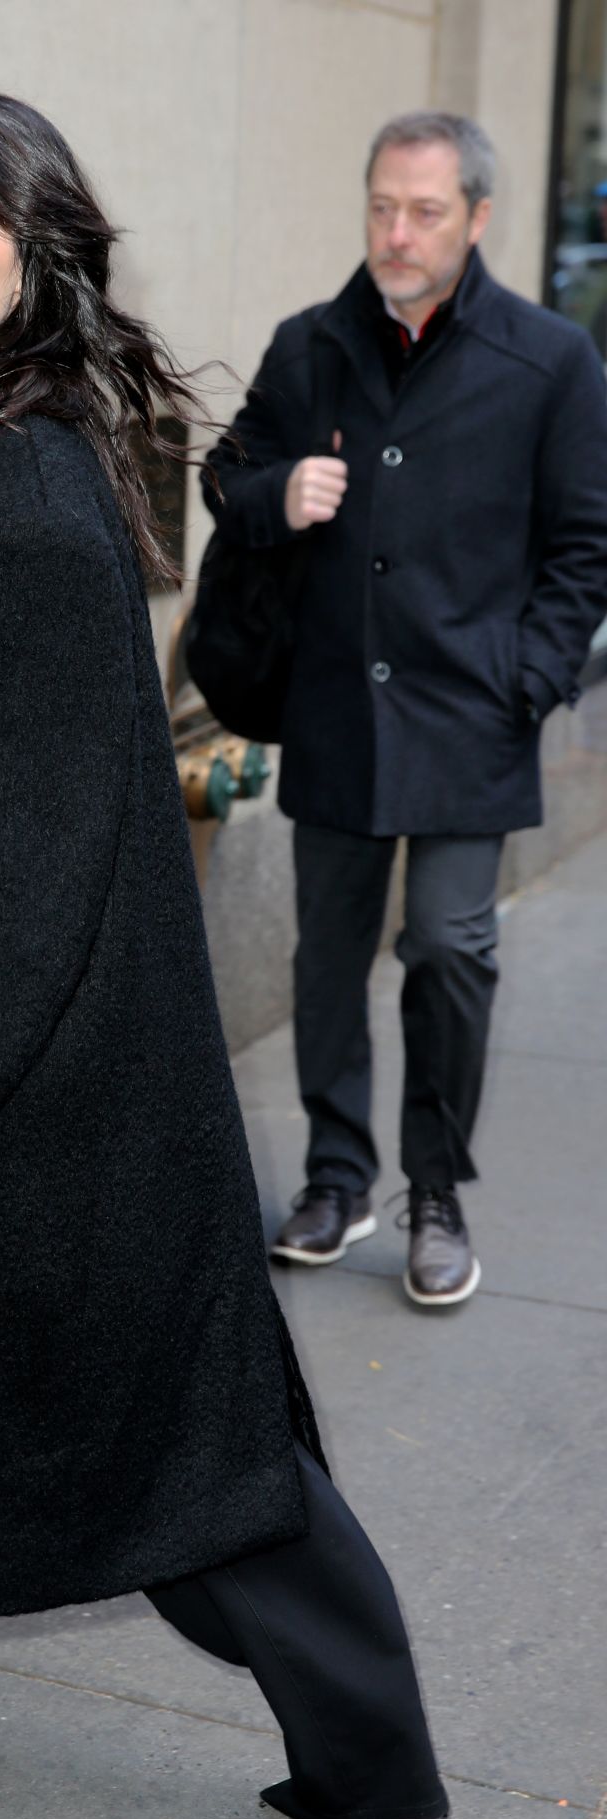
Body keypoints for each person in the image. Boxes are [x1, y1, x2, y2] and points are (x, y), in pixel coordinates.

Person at [0, 86, 448, 1819]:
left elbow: (17, 844)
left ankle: (362, 1749)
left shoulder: (20, 480)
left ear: (32, 252)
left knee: (189, 1470)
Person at [206, 112, 607, 1307]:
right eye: (380, 206)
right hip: (333, 706)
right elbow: (226, 477)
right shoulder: (308, 347)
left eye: (423, 211)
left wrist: (525, 684)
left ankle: (432, 1193)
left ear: (477, 218)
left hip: (468, 717)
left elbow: (584, 548)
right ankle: (334, 1178)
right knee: (324, 956)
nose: (395, 231)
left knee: (447, 947)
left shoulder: (550, 361)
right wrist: (282, 489)